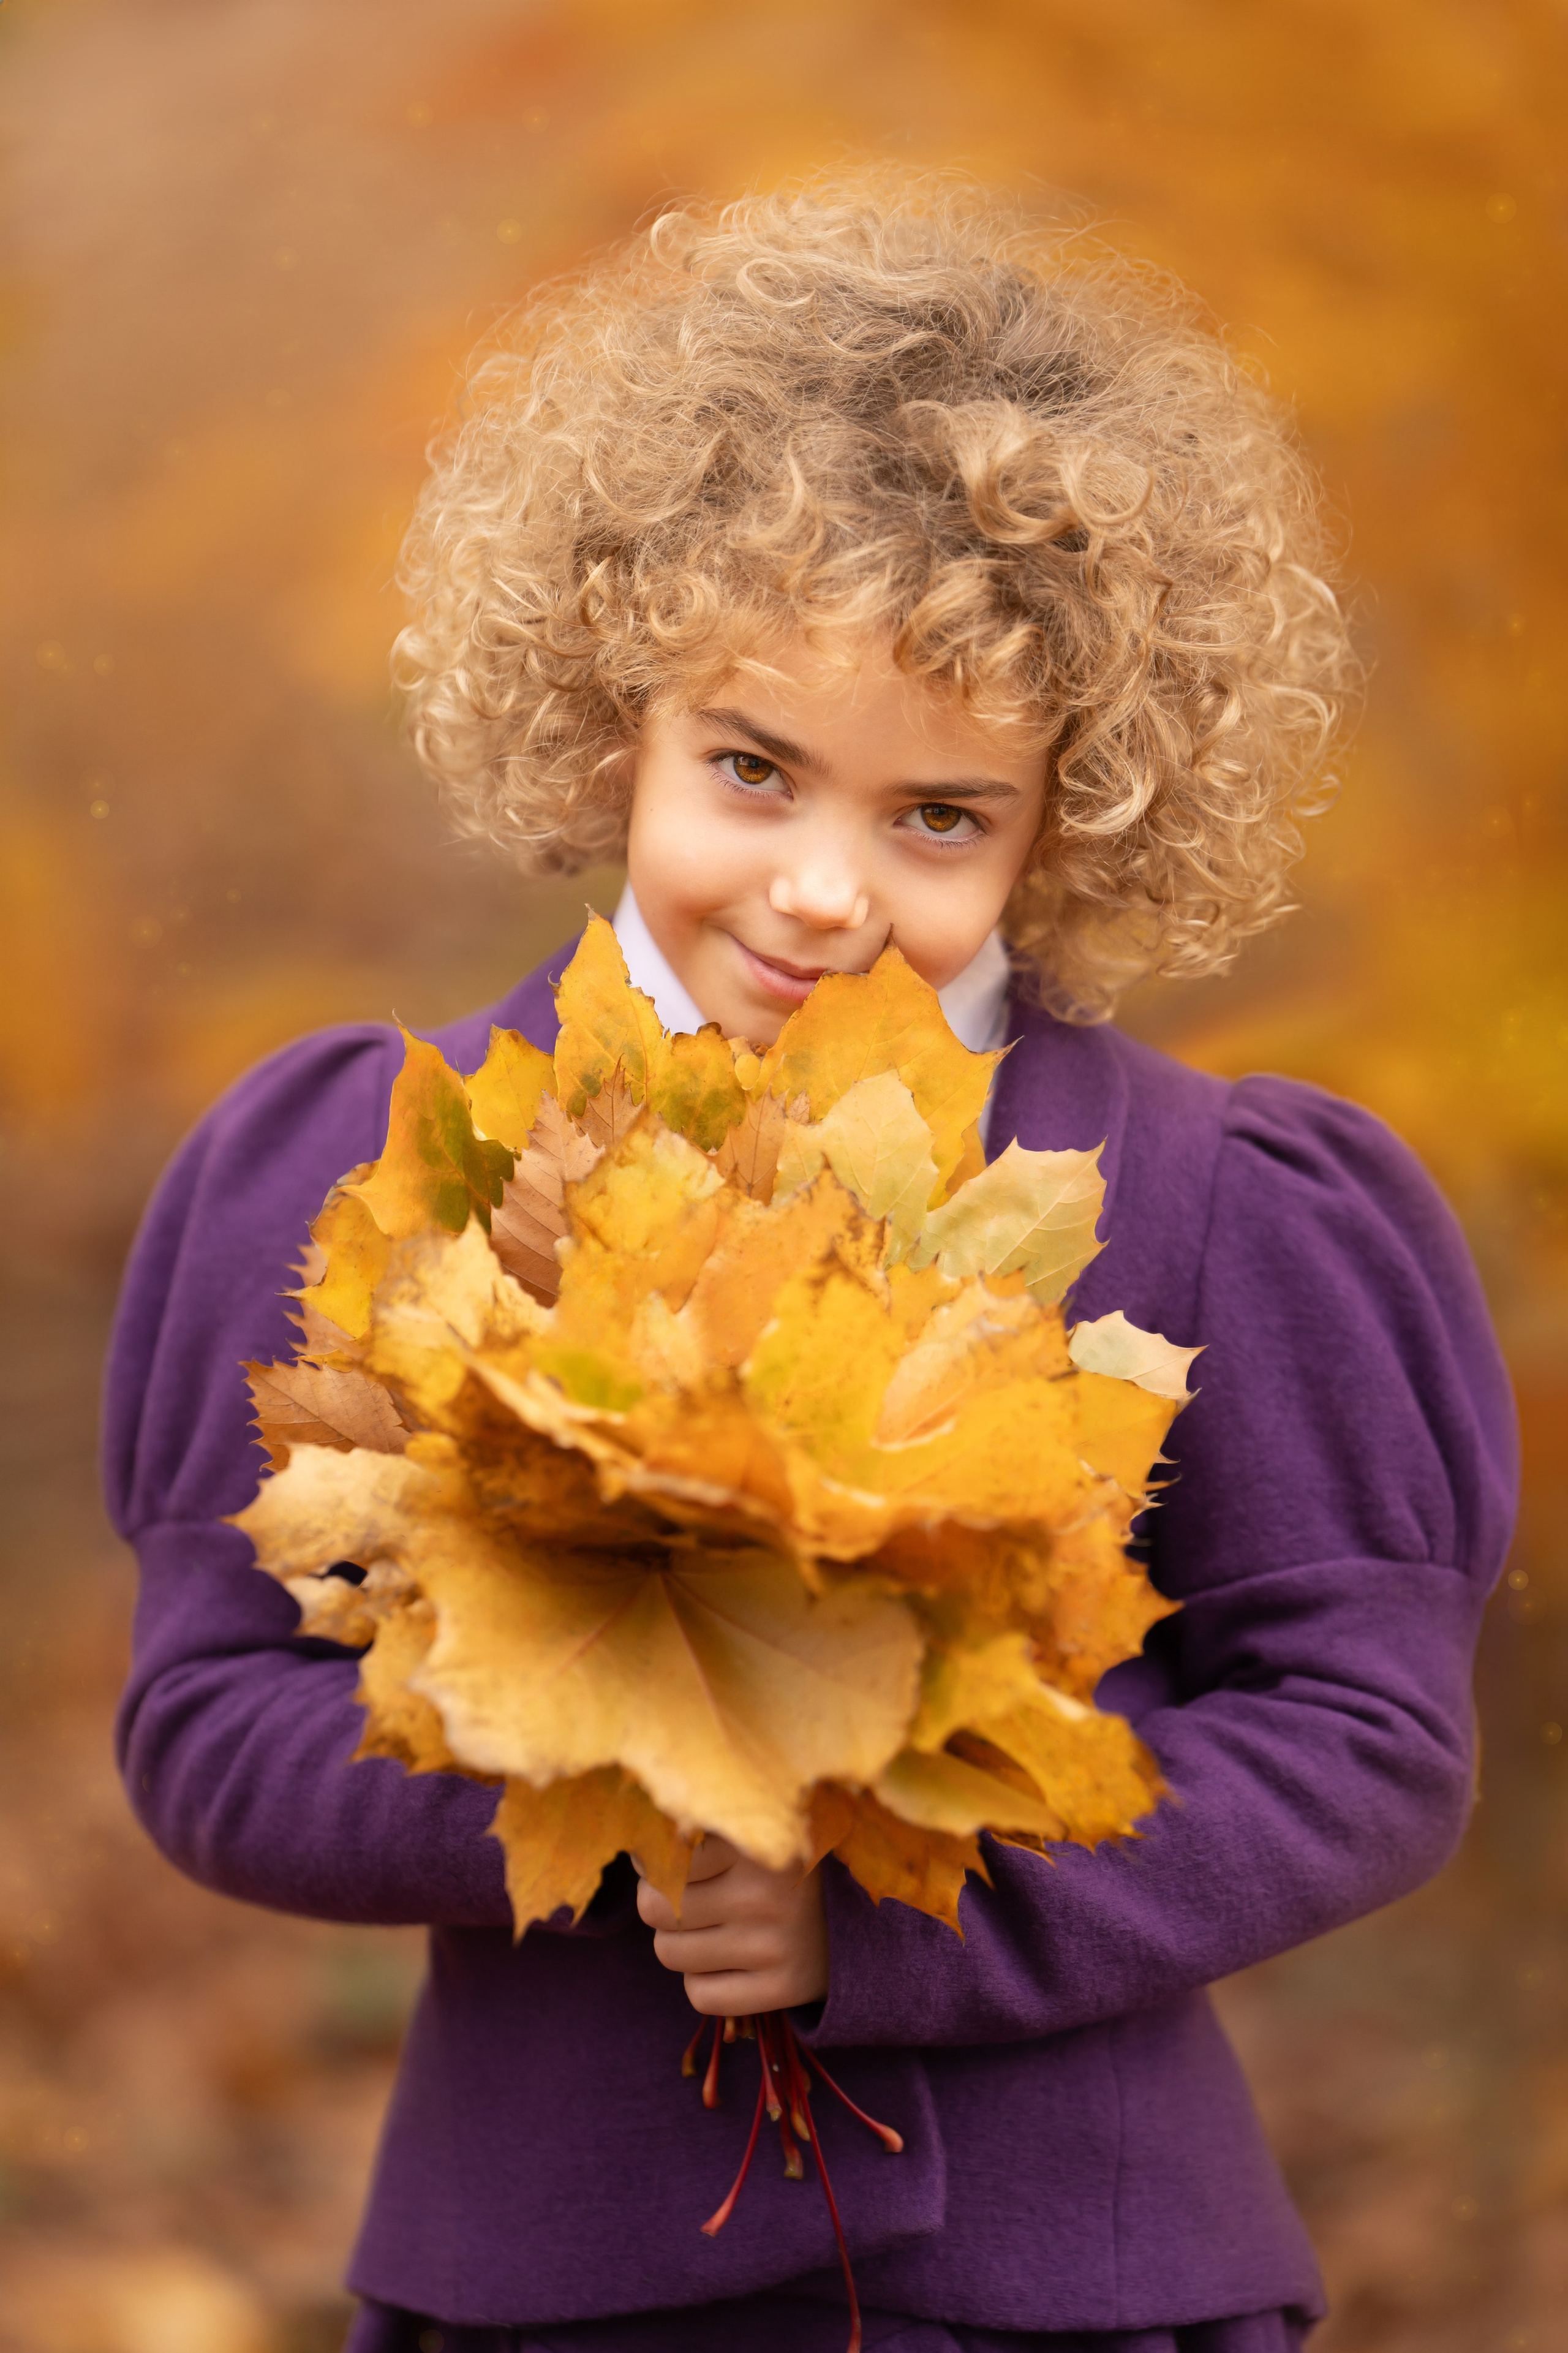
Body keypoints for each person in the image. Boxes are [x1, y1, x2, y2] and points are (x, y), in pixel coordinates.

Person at [104, 175, 1517, 2352]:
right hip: (548, 2281)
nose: (823, 889)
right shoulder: (367, 1164)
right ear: (616, 724)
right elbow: (212, 1719)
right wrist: (579, 1768)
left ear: (1074, 822)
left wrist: (917, 1913)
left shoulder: (1208, 1193)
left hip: (1063, 2287)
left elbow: (1363, 1733)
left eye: (938, 814)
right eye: (752, 771)